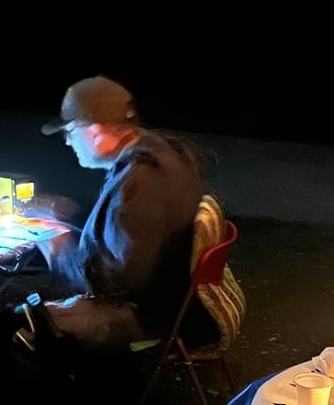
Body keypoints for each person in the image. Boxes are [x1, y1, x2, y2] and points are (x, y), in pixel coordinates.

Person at [34, 76, 207, 349]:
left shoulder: (142, 180)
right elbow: (126, 230)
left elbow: (119, 283)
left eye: (70, 133)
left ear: (95, 131)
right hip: (176, 299)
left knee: (22, 324)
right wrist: (69, 215)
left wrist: (58, 248)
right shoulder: (162, 152)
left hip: (151, 314)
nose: (68, 142)